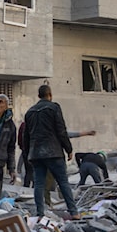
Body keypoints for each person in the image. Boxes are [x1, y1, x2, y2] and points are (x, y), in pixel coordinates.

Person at [22, 85, 81, 219]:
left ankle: (40, 213)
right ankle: (74, 212)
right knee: (63, 182)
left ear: (38, 96)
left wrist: (27, 154)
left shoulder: (30, 112)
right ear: (50, 95)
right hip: (53, 152)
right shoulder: (54, 108)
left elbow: (26, 136)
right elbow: (61, 130)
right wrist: (69, 149)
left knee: (39, 184)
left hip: (36, 154)